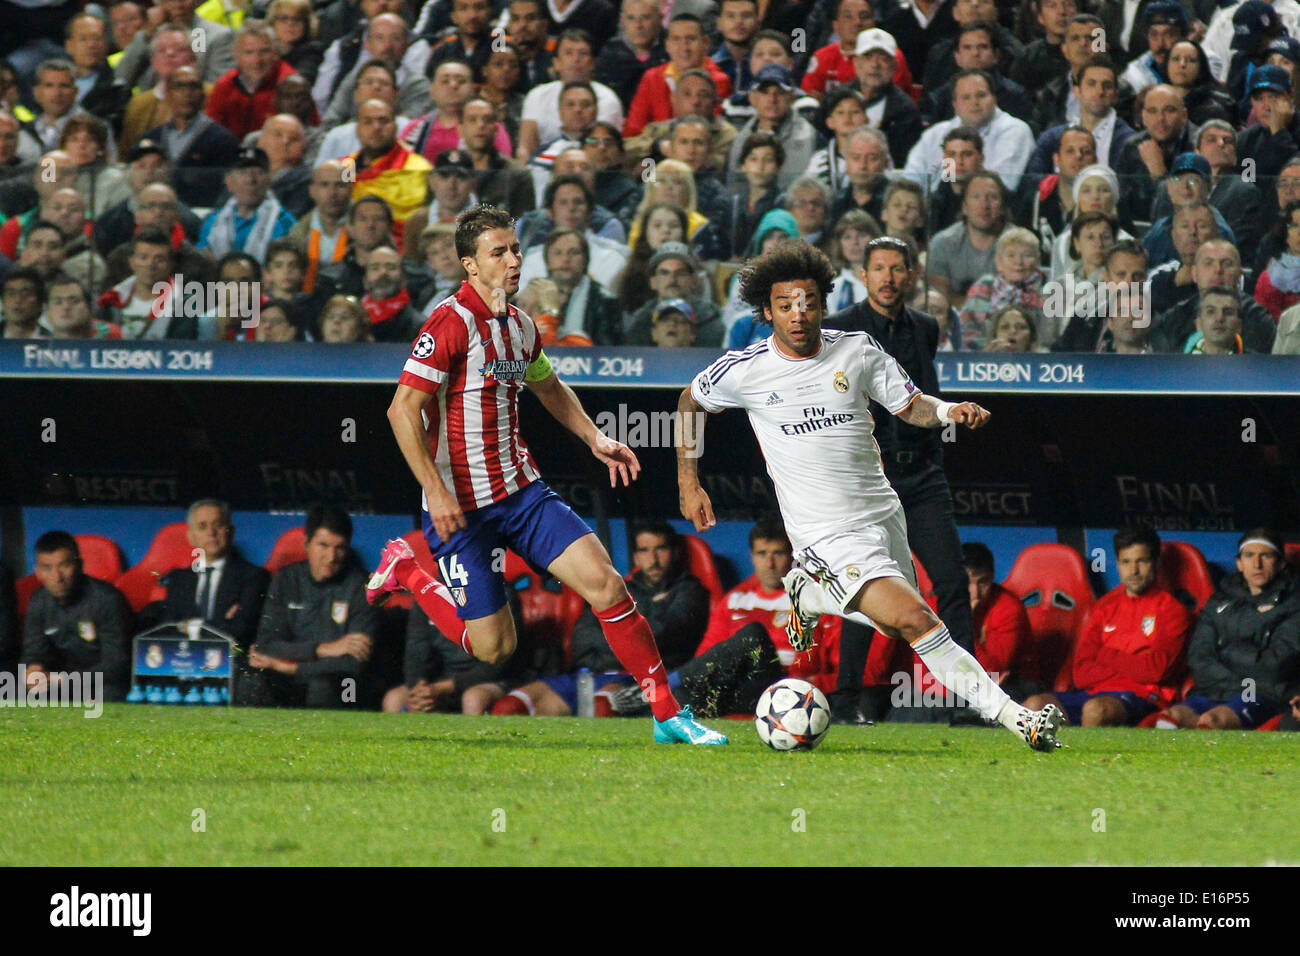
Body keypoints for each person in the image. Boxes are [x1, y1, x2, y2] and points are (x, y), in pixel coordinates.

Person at [677, 236, 1063, 750]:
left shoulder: (856, 350)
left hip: (883, 513)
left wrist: (949, 411)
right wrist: (689, 482)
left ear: (823, 304)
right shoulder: (746, 369)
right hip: (824, 533)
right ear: (766, 311)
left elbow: (909, 405)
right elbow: (688, 401)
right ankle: (1019, 720)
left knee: (898, 628)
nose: (799, 314)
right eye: (786, 305)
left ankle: (811, 593)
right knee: (917, 618)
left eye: (809, 302)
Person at [364, 203, 728, 744]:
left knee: (607, 585)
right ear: (470, 265)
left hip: (522, 492)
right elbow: (401, 410)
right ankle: (408, 571)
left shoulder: (521, 326)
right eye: (498, 252)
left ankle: (668, 714)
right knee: (493, 649)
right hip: (461, 507)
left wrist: (595, 437)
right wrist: (435, 492)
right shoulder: (448, 323)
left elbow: (550, 387)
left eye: (515, 248)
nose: (513, 260)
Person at [512, 521, 712, 716]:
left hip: (642, 679)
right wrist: (621, 648)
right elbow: (582, 636)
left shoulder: (690, 591)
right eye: (644, 550)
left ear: (675, 552)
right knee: (514, 705)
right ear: (636, 557)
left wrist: (607, 651)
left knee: (602, 705)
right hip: (593, 673)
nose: (653, 559)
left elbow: (660, 636)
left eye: (661, 549)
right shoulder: (621, 589)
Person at [1025, 528, 1193, 727]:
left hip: (1144, 698)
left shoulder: (1172, 610)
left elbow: (1156, 671)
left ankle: (1088, 759)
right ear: (1118, 564)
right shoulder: (1105, 606)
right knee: (1034, 704)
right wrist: (1134, 666)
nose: (1133, 571)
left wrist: (1105, 655)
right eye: (1126, 562)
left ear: (1155, 563)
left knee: (1097, 710)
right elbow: (1081, 673)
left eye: (1142, 561)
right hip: (1093, 694)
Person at [241, 504, 376, 708]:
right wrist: (323, 649)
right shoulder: (286, 579)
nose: (331, 557)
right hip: (286, 676)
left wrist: (288, 667)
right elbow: (266, 645)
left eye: (339, 547)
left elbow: (353, 662)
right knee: (250, 681)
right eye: (323, 545)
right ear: (306, 544)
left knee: (327, 685)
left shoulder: (361, 586)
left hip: (341, 682)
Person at [1166, 529, 1300, 730]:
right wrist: (1235, 678)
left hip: (1262, 695)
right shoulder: (1219, 602)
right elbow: (1198, 657)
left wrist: (1227, 652)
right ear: (1239, 563)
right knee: (1171, 717)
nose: (1257, 564)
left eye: (1265, 556)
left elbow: (1276, 665)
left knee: (1214, 720)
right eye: (1249, 555)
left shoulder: (1293, 604)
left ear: (1280, 563)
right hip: (1214, 691)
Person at [21, 530, 131, 703]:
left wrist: (62, 680)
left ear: (79, 565)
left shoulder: (108, 599)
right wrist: (34, 669)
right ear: (37, 572)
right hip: (58, 682)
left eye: (64, 566)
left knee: (111, 693)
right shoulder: (38, 601)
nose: (57, 577)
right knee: (18, 692)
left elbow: (116, 665)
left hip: (102, 682)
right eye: (47, 568)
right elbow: (34, 652)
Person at [156, 498, 269, 650]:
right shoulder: (179, 579)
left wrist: (191, 627)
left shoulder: (255, 577)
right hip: (183, 664)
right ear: (191, 538)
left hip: (232, 664)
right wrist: (220, 624)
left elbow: (242, 632)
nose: (211, 533)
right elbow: (167, 630)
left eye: (218, 525)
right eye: (202, 527)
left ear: (231, 531)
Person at [902, 68, 1034, 192]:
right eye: (966, 97)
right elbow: (910, 181)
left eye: (981, 95)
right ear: (955, 105)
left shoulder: (1015, 131)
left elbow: (1001, 186)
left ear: (994, 99)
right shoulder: (935, 134)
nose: (974, 102)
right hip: (937, 209)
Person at [142, 64, 241, 208]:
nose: (187, 93)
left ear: (203, 95)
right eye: (179, 86)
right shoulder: (151, 139)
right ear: (168, 94)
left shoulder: (223, 141)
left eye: (193, 86)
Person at [623, 14, 731, 137]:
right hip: (654, 151)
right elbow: (634, 128)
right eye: (676, 39)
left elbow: (710, 129)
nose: (684, 47)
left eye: (690, 39)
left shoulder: (718, 80)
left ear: (705, 43)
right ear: (667, 45)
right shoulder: (652, 77)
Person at [198, 146, 296, 259]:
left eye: (258, 172)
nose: (250, 180)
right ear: (228, 182)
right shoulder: (213, 222)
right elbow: (202, 262)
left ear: (270, 180)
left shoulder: (285, 223)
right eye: (242, 172)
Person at [958, 226, 1047, 349]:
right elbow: (968, 331)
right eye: (1011, 255)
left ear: (1038, 261)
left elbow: (1049, 338)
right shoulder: (985, 285)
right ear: (998, 262)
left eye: (1027, 255)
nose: (1019, 262)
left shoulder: (1049, 290)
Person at [205, 20, 296, 140]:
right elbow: (211, 131)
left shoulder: (289, 84)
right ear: (236, 55)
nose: (257, 60)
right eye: (249, 52)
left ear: (275, 53)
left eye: (264, 52)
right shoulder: (225, 85)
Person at [43, 272, 121, 339]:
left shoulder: (113, 335)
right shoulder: (37, 342)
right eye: (58, 302)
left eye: (74, 301)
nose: (66, 307)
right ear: (47, 312)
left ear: (89, 307)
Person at [1, 267, 47, 339]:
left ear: (40, 303)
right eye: (11, 294)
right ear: (2, 302)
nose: (18, 300)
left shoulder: (53, 342)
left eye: (26, 294)